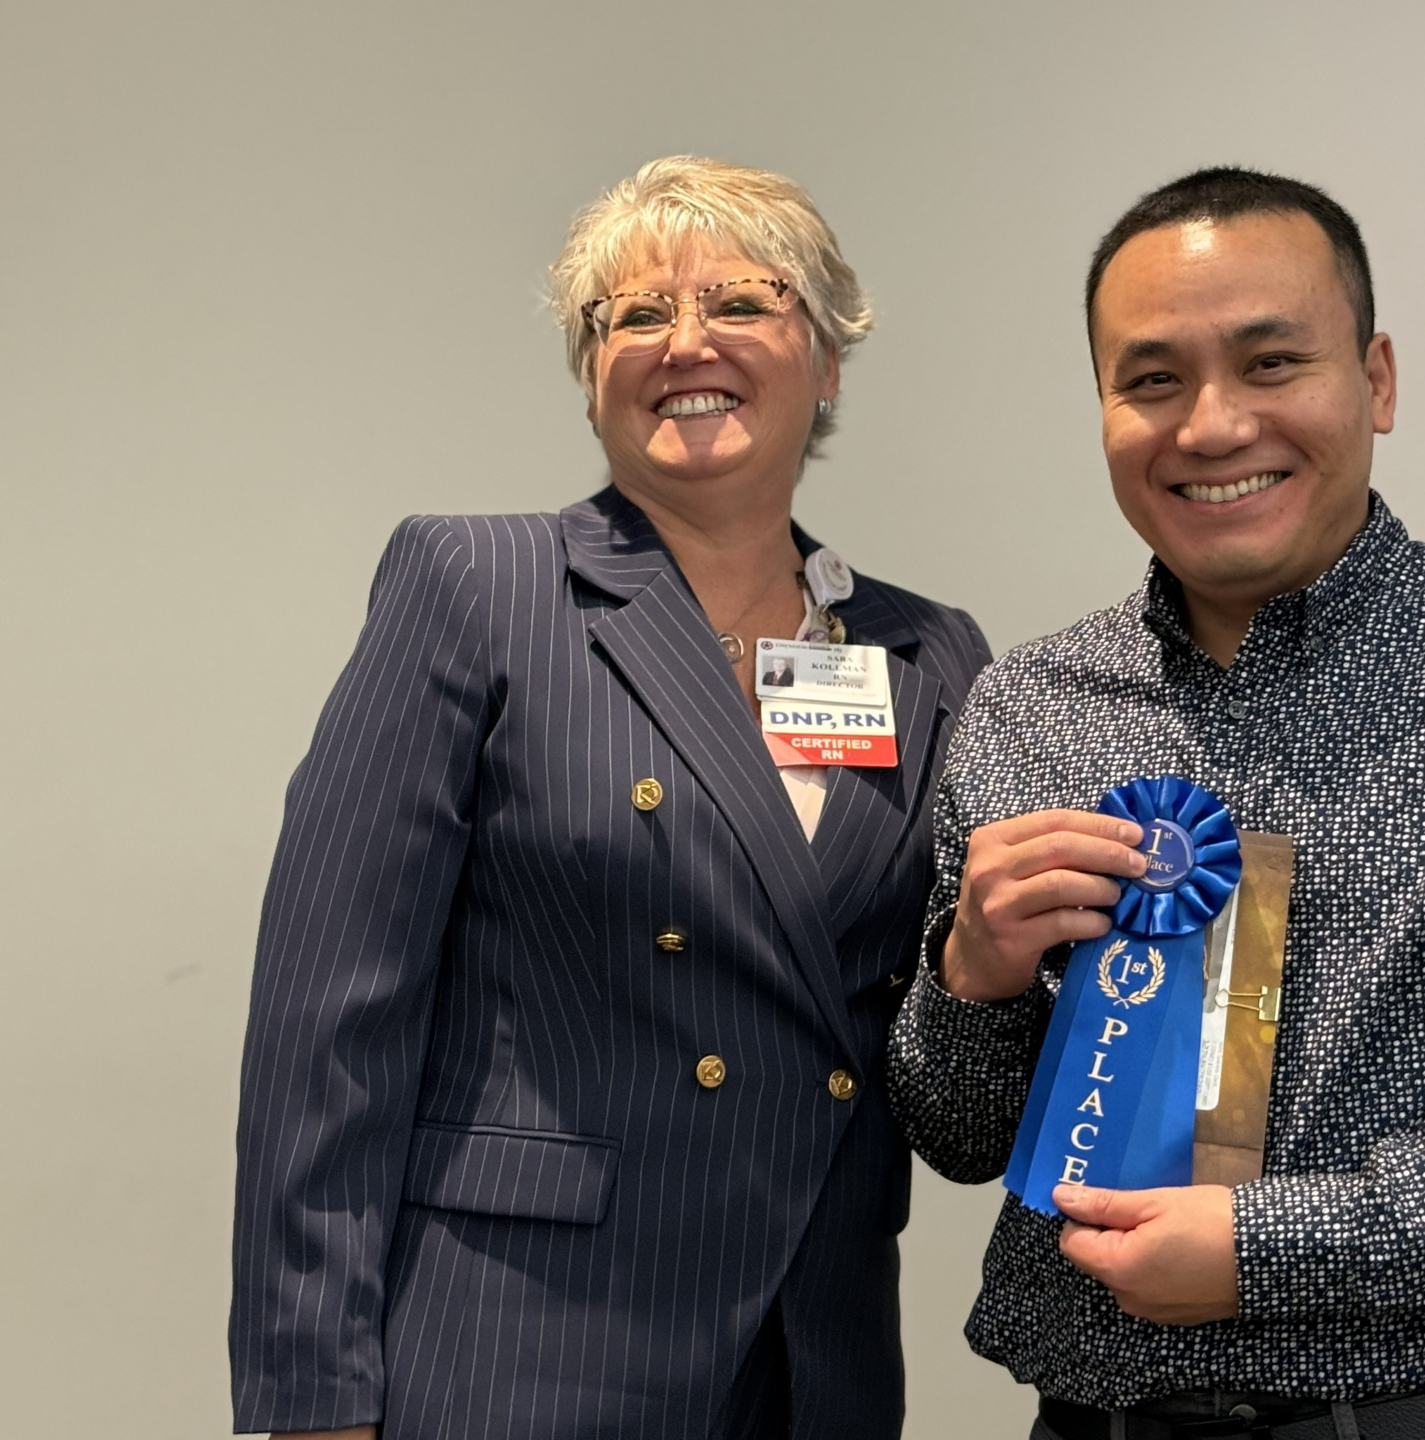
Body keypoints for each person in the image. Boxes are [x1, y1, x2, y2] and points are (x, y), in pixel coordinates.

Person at [887, 168, 1425, 1440]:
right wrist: (970, 980)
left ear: (1377, 379)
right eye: (1151, 381)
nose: (1213, 425)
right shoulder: (1026, 707)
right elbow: (961, 1137)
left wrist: (1269, 1248)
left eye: (1271, 361)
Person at [231, 157, 991, 1440]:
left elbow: (927, 1019)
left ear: (828, 360)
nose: (684, 341)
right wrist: (313, 1395)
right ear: (593, 377)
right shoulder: (480, 586)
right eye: (633, 317)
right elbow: (331, 1021)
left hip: (814, 1355)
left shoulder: (925, 655)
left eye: (742, 302)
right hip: (520, 1343)